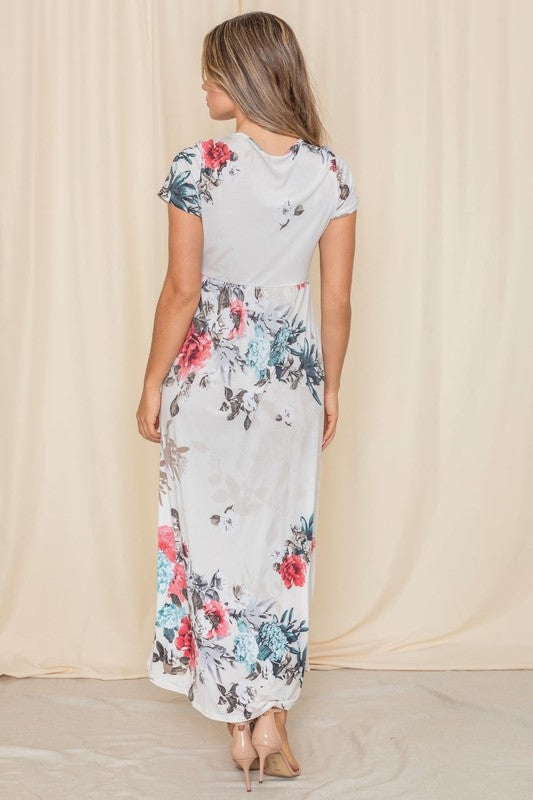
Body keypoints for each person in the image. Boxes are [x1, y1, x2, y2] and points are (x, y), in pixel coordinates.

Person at [136, 10, 358, 791]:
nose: (201, 86)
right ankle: (274, 722)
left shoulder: (196, 166)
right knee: (280, 548)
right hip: (289, 383)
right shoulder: (328, 172)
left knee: (215, 551)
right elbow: (336, 303)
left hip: (208, 382)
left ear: (241, 76)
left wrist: (151, 381)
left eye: (210, 72)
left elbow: (182, 290)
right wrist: (329, 385)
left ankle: (240, 722)